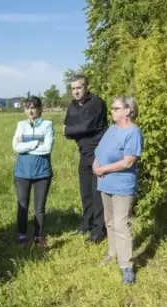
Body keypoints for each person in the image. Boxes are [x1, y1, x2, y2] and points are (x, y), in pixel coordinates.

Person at [93, 95, 144, 284]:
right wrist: (95, 164)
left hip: (122, 185)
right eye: (112, 108)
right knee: (110, 222)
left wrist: (103, 169)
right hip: (105, 184)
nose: (112, 112)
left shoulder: (133, 132)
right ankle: (112, 253)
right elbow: (100, 150)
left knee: (122, 225)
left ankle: (126, 266)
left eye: (116, 109)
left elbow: (128, 161)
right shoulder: (112, 129)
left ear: (127, 111)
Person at [63, 74, 108, 243]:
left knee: (97, 194)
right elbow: (70, 126)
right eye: (73, 88)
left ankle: (99, 230)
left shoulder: (96, 103)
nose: (76, 91)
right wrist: (73, 129)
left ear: (86, 87)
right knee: (85, 192)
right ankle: (86, 224)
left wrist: (70, 130)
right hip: (83, 152)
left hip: (98, 152)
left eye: (79, 88)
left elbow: (86, 126)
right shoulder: (72, 106)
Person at [12, 96, 55, 248]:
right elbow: (16, 146)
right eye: (27, 107)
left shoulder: (48, 125)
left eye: (33, 107)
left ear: (40, 109)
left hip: (42, 173)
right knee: (22, 205)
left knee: (39, 207)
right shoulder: (21, 125)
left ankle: (38, 237)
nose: (30, 110)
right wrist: (36, 142)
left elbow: (47, 148)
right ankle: (22, 236)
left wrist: (26, 145)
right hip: (22, 173)